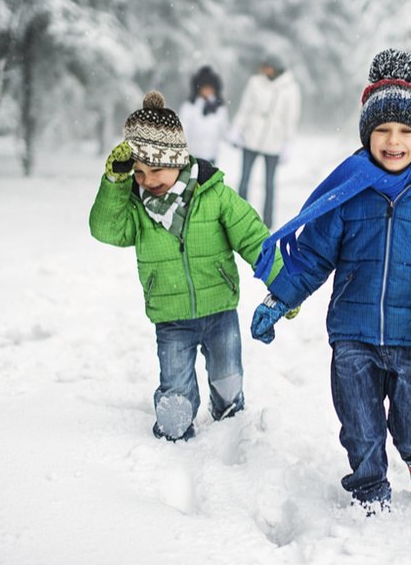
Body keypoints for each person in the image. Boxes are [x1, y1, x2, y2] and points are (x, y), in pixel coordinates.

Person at [248, 49, 411, 511]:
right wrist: (280, 298)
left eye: (406, 132)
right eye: (383, 131)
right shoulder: (349, 193)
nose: (394, 142)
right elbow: (313, 254)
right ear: (367, 134)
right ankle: (370, 487)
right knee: (359, 424)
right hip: (353, 336)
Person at [89, 90, 282, 442]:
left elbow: (255, 239)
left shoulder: (215, 195)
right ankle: (175, 426)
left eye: (156, 170)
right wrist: (116, 183)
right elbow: (105, 229)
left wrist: (286, 285)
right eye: (138, 173)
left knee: (228, 378)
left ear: (177, 160)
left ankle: (230, 422)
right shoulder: (136, 208)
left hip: (220, 311)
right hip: (171, 316)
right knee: (175, 390)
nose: (147, 181)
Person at [227, 54, 301, 229]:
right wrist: (237, 128)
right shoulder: (255, 83)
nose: (262, 70)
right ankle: (239, 217)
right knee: (244, 180)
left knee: (269, 184)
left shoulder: (291, 88)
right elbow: (246, 108)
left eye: (266, 66)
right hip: (251, 137)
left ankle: (268, 222)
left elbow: (291, 117)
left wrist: (288, 143)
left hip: (274, 141)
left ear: (275, 68)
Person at [178, 65, 230, 165]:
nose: (207, 91)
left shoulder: (219, 108)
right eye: (204, 87)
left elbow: (224, 130)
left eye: (210, 88)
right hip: (193, 155)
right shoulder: (190, 107)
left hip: (211, 155)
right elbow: (182, 130)